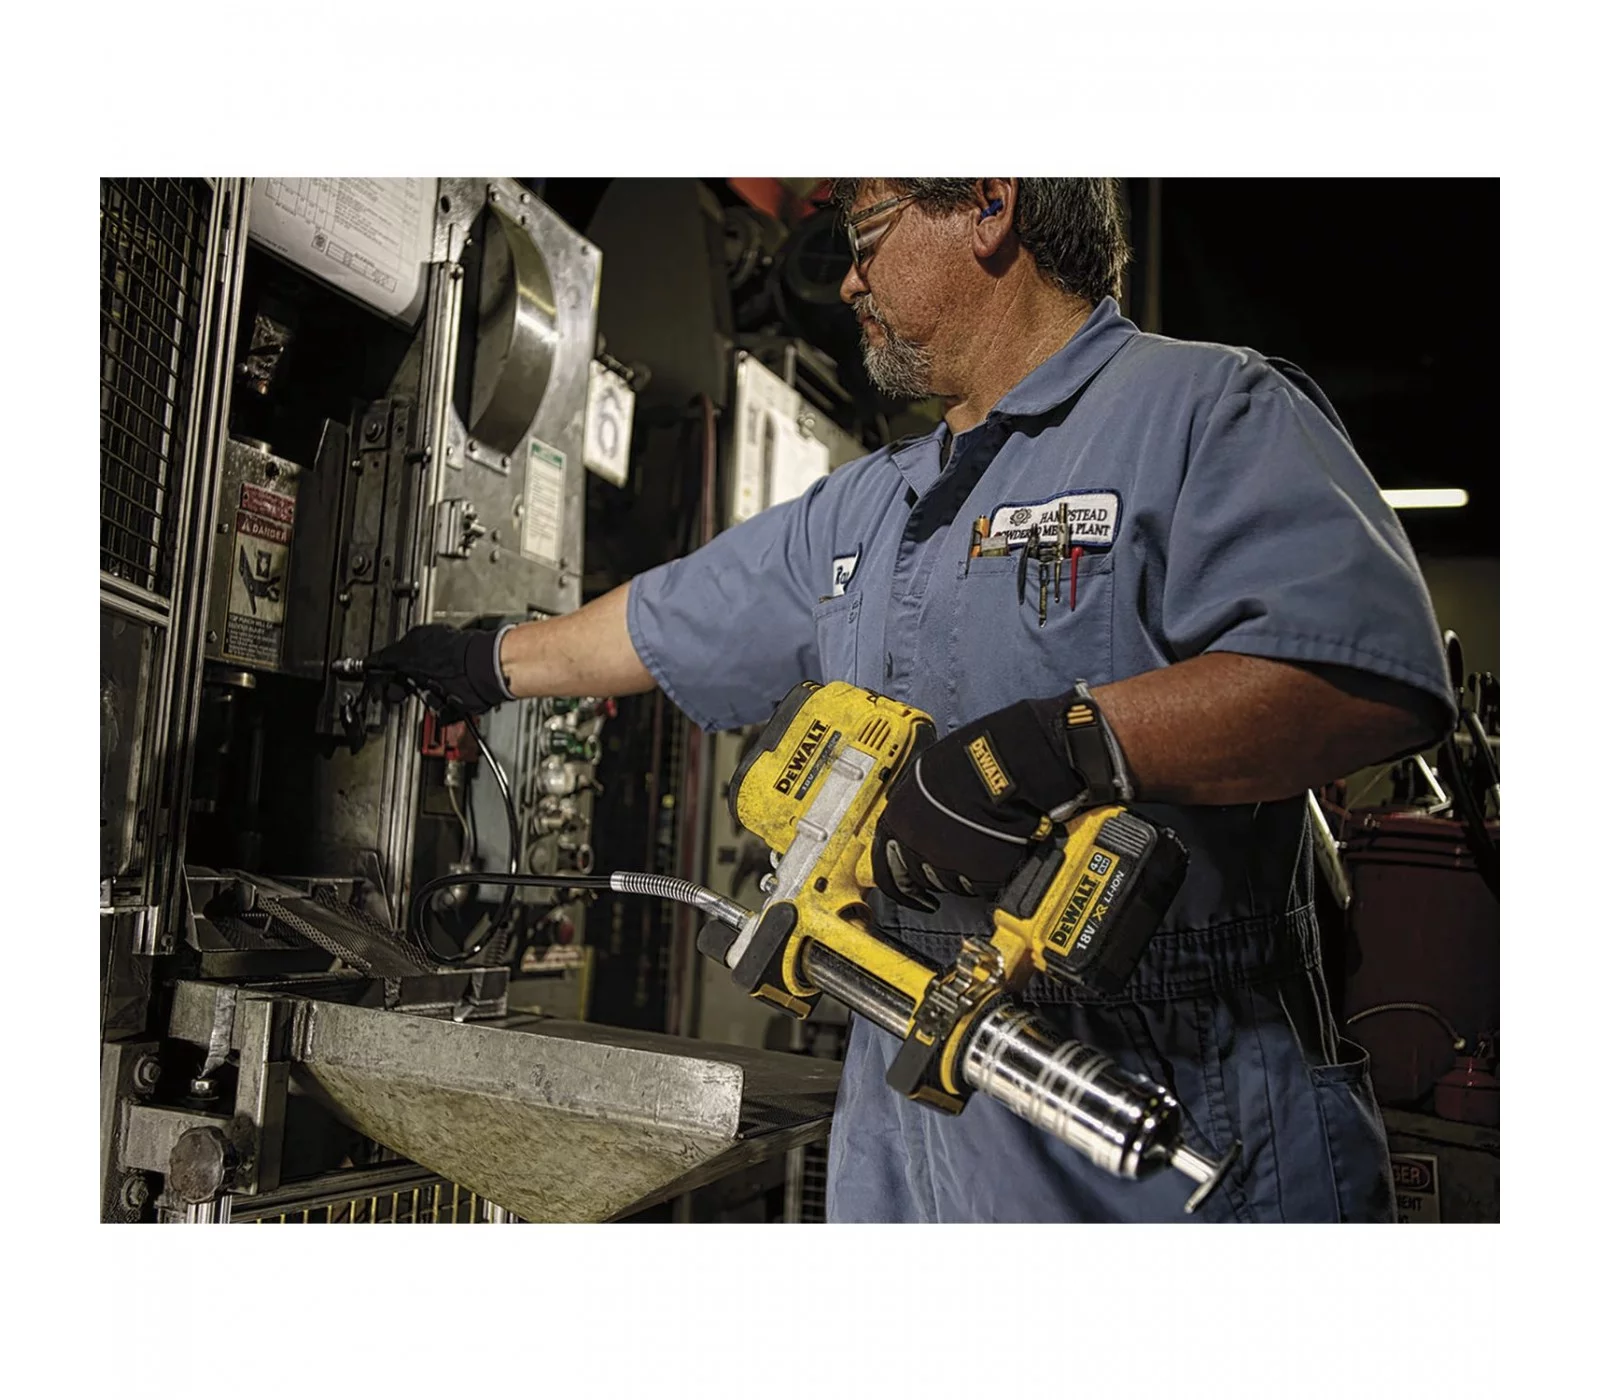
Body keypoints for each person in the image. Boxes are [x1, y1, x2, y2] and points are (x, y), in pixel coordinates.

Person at [366, 178, 1455, 1223]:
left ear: (988, 203)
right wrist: (484, 660)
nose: (847, 278)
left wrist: (1057, 747)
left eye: (866, 230)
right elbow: (672, 614)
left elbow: (1363, 678)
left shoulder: (1205, 411)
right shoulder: (874, 500)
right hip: (911, 1104)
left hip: (1162, 1117)